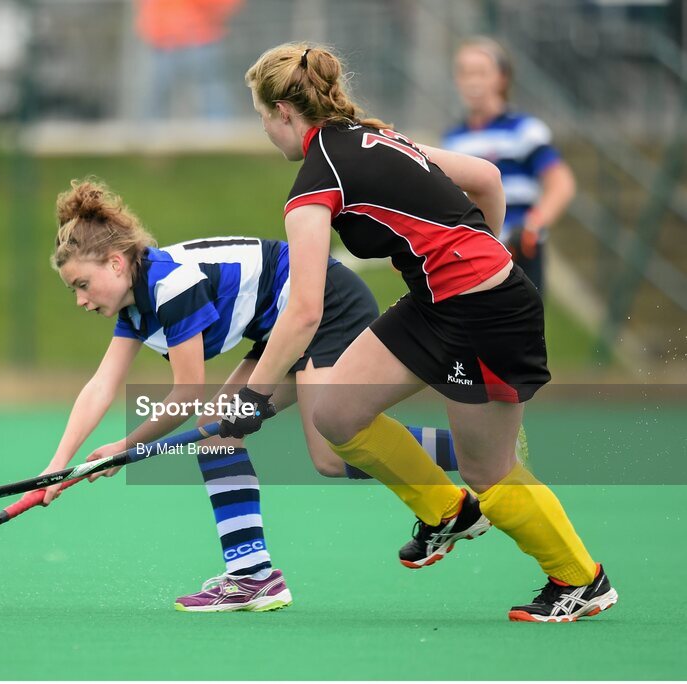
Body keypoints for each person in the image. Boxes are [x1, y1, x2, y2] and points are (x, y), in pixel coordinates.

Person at [229, 42, 617, 622]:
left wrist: (252, 395)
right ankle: (447, 511)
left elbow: (305, 310)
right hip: (437, 301)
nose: (265, 130)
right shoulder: (379, 137)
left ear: (285, 112)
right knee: (334, 414)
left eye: (262, 117)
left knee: (491, 470)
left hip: (484, 313)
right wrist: (479, 247)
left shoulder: (312, 184)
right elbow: (485, 179)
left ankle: (581, 580)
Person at [39, 177, 480, 612]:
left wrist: (125, 446)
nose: (80, 300)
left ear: (116, 264)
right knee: (218, 434)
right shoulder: (136, 303)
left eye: (81, 284)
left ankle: (481, 451)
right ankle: (252, 576)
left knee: (329, 453)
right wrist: (57, 466)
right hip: (279, 330)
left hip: (324, 305)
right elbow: (100, 384)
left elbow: (190, 391)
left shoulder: (168, 287)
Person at [443, 36, 576, 294]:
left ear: (502, 78)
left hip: (519, 255)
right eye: (465, 73)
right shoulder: (452, 139)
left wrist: (533, 225)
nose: (472, 81)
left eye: (481, 72)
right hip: (473, 260)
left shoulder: (525, 130)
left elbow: (561, 183)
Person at [135, 0, 243, 120]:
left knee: (210, 91)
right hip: (166, 41)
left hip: (199, 38)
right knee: (157, 96)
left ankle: (219, 129)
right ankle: (149, 131)